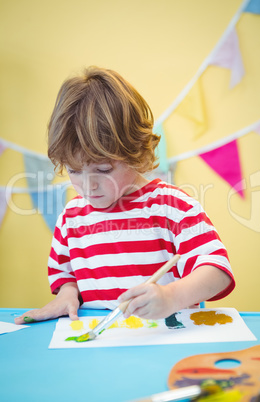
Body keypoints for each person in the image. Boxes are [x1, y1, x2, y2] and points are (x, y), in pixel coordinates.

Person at [15, 66, 235, 325]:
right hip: (100, 346)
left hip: (166, 342)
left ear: (136, 154)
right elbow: (65, 274)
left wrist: (171, 297)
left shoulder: (172, 206)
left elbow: (218, 271)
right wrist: (67, 294)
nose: (88, 186)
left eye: (103, 169)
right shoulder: (71, 218)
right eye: (74, 170)